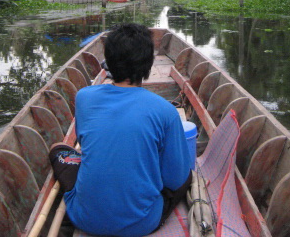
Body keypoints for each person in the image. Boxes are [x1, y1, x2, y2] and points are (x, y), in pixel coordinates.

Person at [49, 23, 192, 237]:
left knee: (58, 150)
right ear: (148, 65)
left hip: (83, 217)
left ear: (108, 63)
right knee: (186, 176)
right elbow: (173, 180)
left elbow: (83, 141)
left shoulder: (84, 97)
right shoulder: (165, 111)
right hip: (140, 224)